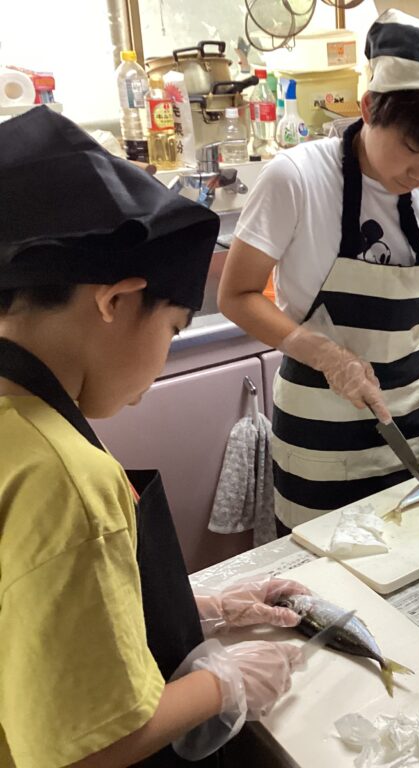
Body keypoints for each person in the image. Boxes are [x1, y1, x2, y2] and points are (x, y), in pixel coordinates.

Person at [0, 107, 308, 767]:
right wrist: (223, 683)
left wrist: (192, 607)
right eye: (171, 330)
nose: (163, 358)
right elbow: (86, 750)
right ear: (114, 301)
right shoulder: (63, 478)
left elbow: (30, 610)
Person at [219, 10, 419, 531]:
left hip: (412, 435)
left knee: (413, 556)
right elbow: (236, 295)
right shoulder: (297, 178)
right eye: (412, 148)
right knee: (320, 567)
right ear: (369, 107)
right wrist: (324, 354)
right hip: (317, 437)